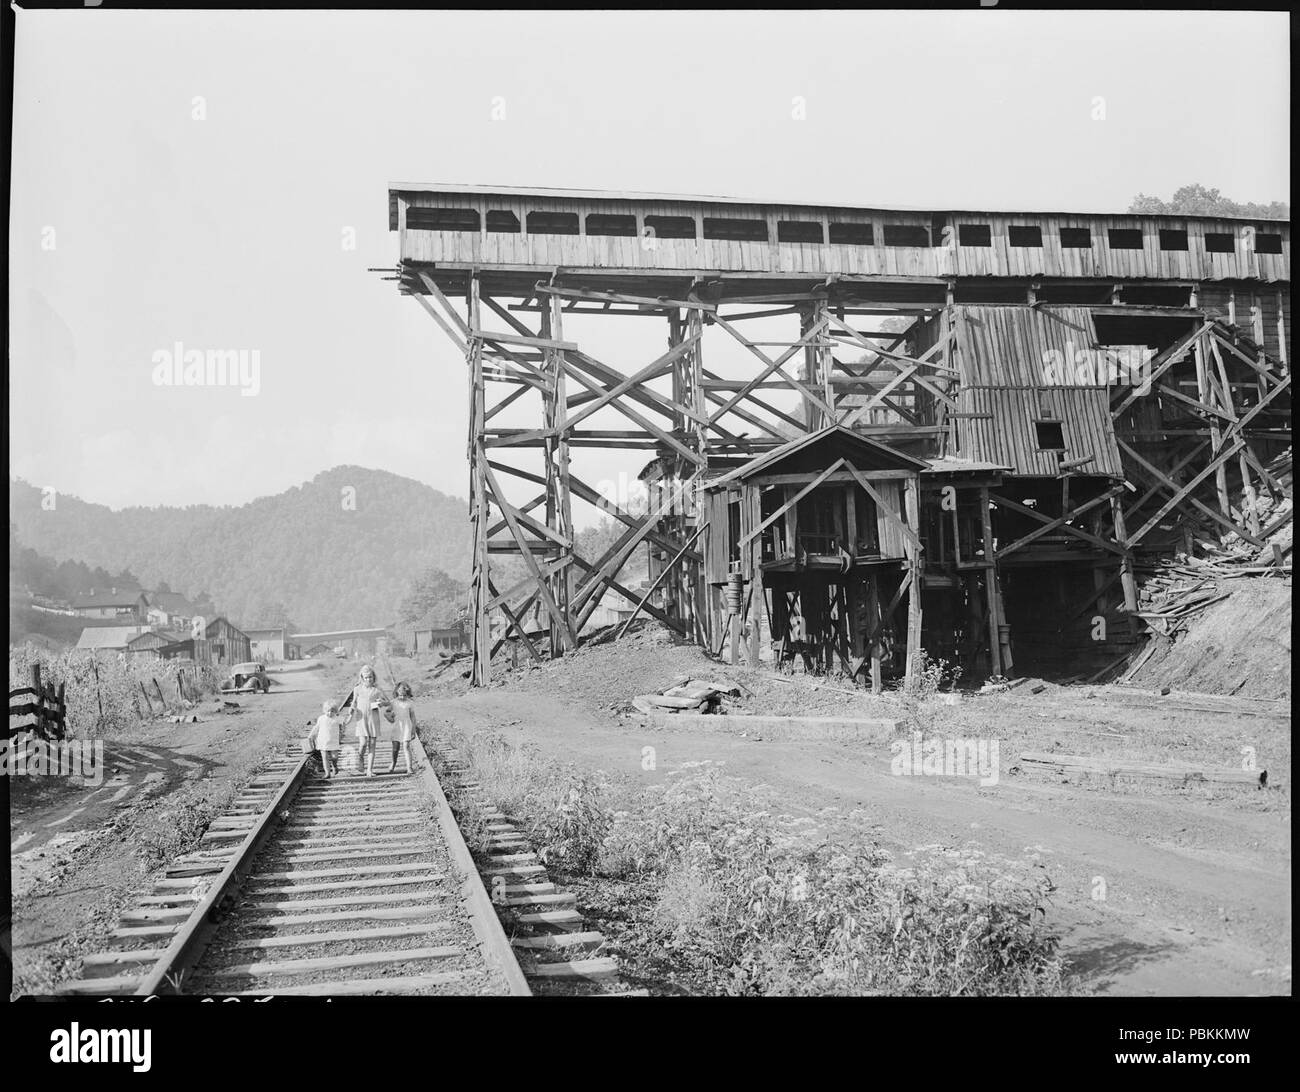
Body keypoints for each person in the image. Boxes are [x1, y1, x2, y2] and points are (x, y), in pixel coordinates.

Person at [345, 664, 391, 776]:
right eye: (366, 677)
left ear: (373, 677)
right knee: (363, 743)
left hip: (373, 719)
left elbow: (388, 702)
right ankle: (360, 757)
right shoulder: (357, 689)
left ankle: (369, 770)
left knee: (372, 744)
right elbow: (354, 702)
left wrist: (381, 703)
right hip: (361, 719)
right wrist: (351, 711)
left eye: (370, 677)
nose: (368, 679)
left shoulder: (377, 690)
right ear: (362, 678)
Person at [387, 683, 418, 775]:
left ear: (408, 694)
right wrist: (390, 718)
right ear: (397, 693)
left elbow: (413, 716)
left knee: (406, 746)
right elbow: (387, 712)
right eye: (400, 695)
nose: (402, 697)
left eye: (404, 695)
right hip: (397, 726)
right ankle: (393, 762)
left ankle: (409, 767)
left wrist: (413, 729)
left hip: (406, 726)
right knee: (395, 748)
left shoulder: (410, 703)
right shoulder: (393, 702)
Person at [312, 700, 341, 778]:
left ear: (335, 711)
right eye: (328, 711)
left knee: (334, 757)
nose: (330, 713)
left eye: (332, 711)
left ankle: (334, 765)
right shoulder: (321, 718)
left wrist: (351, 715)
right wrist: (311, 735)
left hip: (333, 741)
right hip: (322, 740)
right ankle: (327, 773)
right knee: (325, 757)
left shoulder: (337, 719)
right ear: (324, 711)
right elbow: (316, 727)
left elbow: (346, 722)